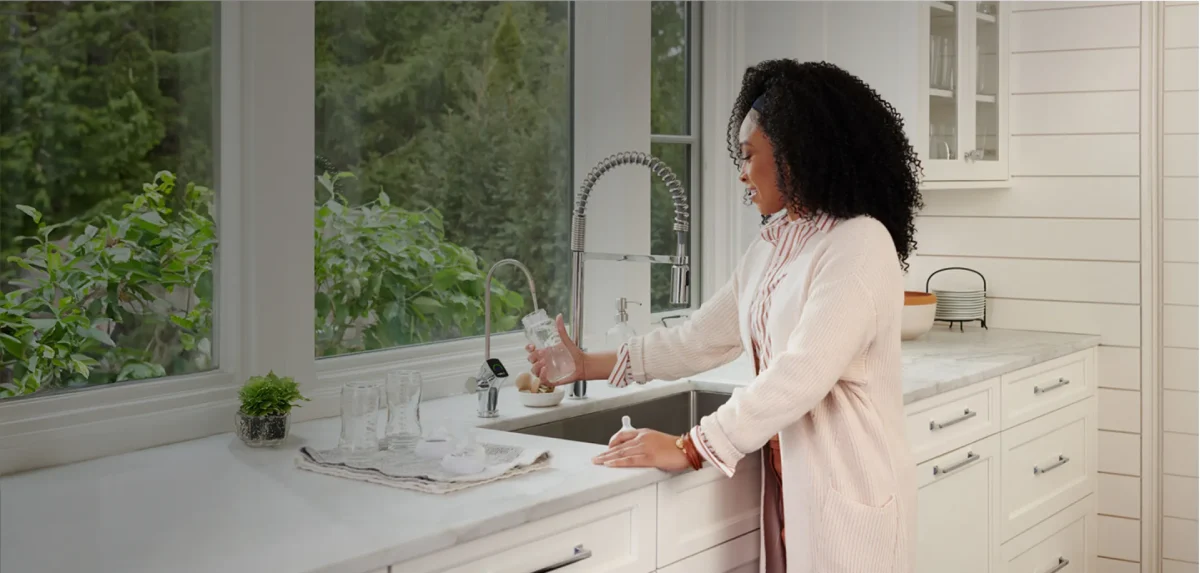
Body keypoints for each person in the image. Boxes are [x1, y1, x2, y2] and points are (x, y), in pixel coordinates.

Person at [527, 59, 922, 573]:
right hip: (791, 491)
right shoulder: (772, 245)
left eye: (749, 154)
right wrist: (587, 364)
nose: (741, 171)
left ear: (795, 154)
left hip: (852, 493)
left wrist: (690, 445)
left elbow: (800, 375)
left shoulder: (860, 243)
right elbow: (698, 339)